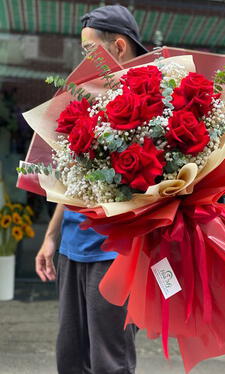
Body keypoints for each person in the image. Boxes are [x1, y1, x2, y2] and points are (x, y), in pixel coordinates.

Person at [34, 5, 148, 373]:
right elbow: (71, 179)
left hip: (114, 254)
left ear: (117, 46)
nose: (83, 61)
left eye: (88, 51)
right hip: (72, 247)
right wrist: (51, 237)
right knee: (69, 357)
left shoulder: (152, 100)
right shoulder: (84, 97)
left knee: (109, 362)